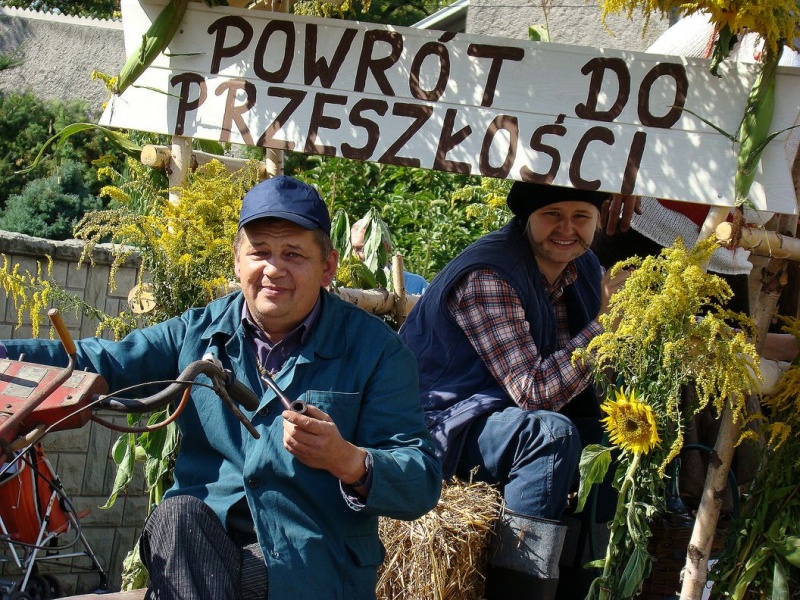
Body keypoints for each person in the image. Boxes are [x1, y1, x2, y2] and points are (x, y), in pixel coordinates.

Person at [0, 175, 442, 600]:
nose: (273, 269)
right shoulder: (199, 332)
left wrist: (346, 459)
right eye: (259, 252)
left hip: (308, 565)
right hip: (199, 547)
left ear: (328, 267)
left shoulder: (377, 352)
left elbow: (420, 481)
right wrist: (4, 356)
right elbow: (108, 359)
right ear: (236, 261)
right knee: (178, 516)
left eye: (293, 254)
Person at [399, 181, 630, 600]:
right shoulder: (489, 274)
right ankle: (521, 590)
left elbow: (575, 376)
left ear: (597, 221)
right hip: (437, 425)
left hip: (493, 415)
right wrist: (608, 323)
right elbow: (535, 392)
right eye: (552, 215)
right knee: (548, 436)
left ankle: (583, 588)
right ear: (526, 217)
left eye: (581, 216)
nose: (567, 229)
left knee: (615, 435)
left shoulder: (583, 267)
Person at [350, 214, 429, 294]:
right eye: (351, 249)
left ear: (385, 247)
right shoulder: (346, 286)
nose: (354, 255)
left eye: (361, 249)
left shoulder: (417, 285)